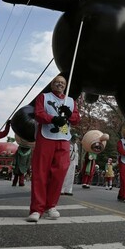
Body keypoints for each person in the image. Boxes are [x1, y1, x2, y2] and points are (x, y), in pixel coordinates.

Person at [26, 75, 80, 222]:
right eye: (57, 82)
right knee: (40, 172)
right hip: (46, 138)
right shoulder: (43, 97)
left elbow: (76, 119)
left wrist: (69, 114)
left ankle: (51, 205)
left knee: (60, 172)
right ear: (52, 84)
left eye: (62, 83)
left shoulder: (70, 101)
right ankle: (37, 209)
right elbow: (38, 113)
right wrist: (52, 118)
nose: (60, 84)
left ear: (65, 86)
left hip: (63, 139)